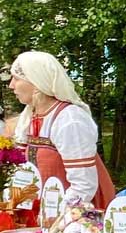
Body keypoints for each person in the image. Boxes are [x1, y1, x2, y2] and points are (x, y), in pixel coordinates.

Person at [8, 51, 116, 211]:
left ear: (37, 82)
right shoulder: (30, 116)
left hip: (72, 215)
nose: (11, 85)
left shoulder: (69, 119)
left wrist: (54, 217)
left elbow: (83, 185)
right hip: (43, 210)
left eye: (16, 78)